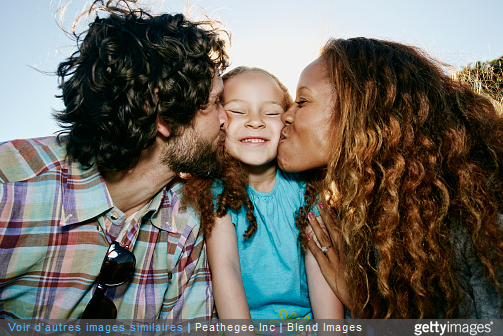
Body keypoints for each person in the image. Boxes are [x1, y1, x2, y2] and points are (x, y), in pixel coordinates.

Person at [0, 0, 229, 319]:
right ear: (158, 111)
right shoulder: (11, 187)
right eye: (214, 103)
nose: (225, 119)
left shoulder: (185, 225)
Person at [277, 37, 503, 319]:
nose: (285, 116)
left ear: (361, 113)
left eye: (302, 101)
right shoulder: (358, 217)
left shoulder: (478, 219)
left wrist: (366, 307)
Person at [205, 66, 343, 320]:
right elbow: (227, 268)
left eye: (270, 112)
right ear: (220, 119)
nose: (255, 121)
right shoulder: (216, 192)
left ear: (288, 121)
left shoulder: (307, 188)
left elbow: (321, 266)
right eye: (237, 110)